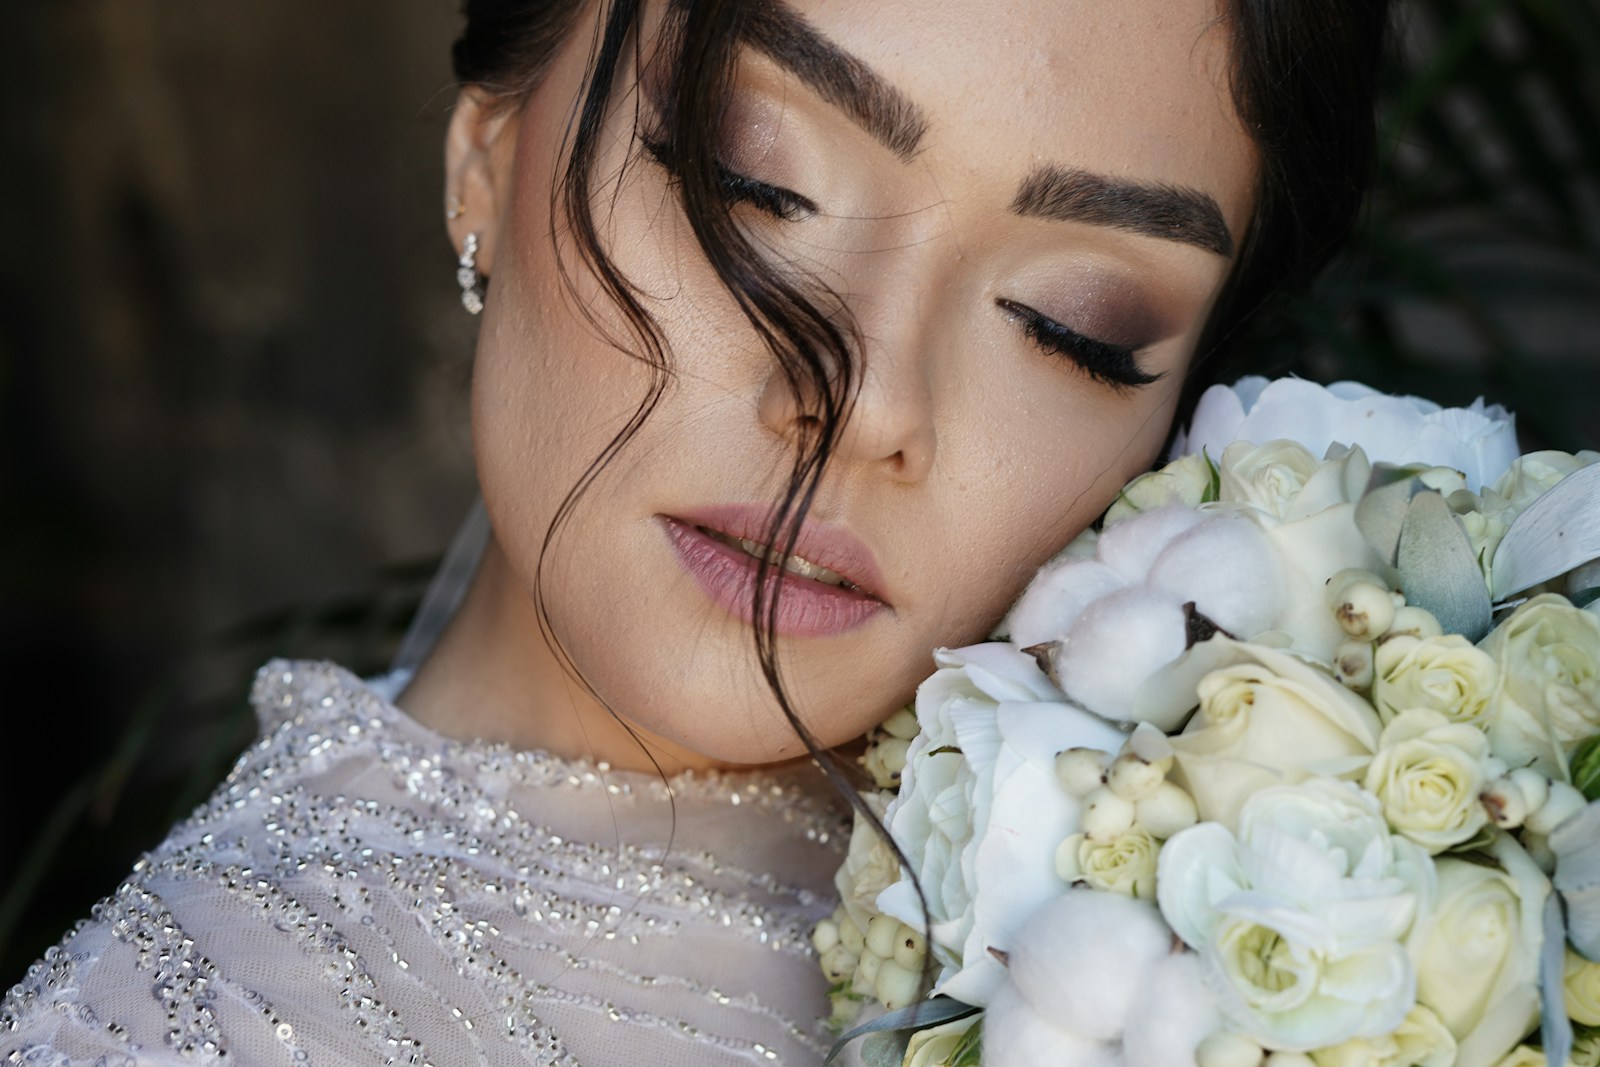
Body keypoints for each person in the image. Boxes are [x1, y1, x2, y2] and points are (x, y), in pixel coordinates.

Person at [2, 0, 1389, 1063]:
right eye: (756, 185)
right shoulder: (174, 1023)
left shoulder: (1299, 880)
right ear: (487, 155)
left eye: (1072, 329)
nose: (865, 403)